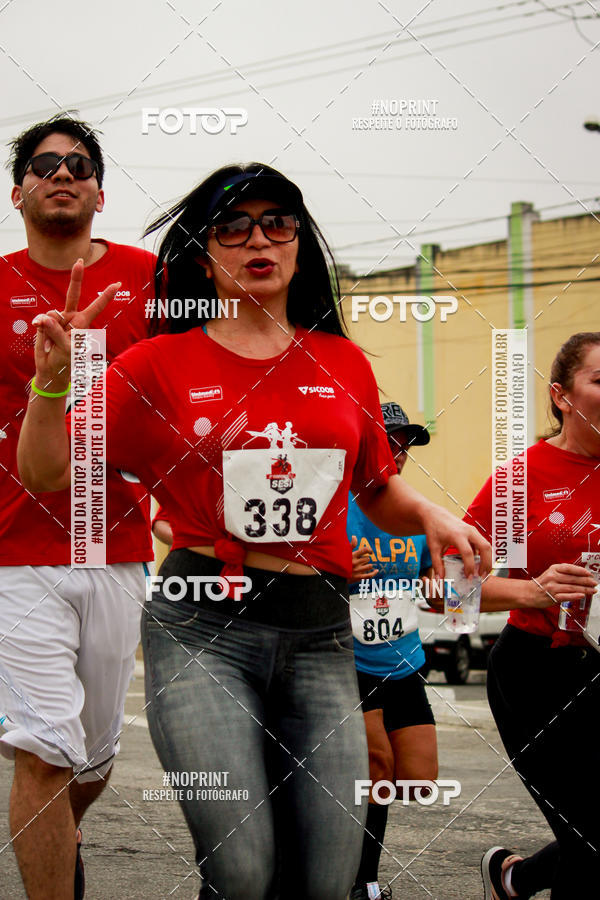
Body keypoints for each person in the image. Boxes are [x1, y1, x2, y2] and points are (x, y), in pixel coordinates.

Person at [17, 162, 492, 900]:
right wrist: (52, 382)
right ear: (205, 256)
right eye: (232, 228)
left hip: (321, 636)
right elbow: (47, 471)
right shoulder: (156, 365)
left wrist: (432, 515)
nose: (257, 240)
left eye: (277, 223)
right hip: (205, 627)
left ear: (300, 245)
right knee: (242, 871)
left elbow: (377, 484)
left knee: (328, 879)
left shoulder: (342, 364)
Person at [0, 114, 154, 899]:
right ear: (19, 186)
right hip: (14, 553)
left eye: (80, 164)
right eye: (45, 163)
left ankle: (58, 835)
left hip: (117, 542)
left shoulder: (152, 280)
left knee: (91, 758)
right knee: (43, 748)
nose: (63, 173)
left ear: (99, 188)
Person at [462, 333, 600, 899]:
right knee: (591, 837)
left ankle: (516, 879)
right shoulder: (525, 480)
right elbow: (448, 588)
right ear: (562, 396)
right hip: (539, 674)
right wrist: (532, 592)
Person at [347, 402, 437, 900]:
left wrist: (438, 587)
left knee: (420, 780)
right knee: (375, 768)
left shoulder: (413, 516)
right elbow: (296, 580)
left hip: (404, 661)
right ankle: (362, 880)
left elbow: (430, 580)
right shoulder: (338, 508)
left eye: (406, 445)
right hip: (350, 661)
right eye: (390, 442)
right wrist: (338, 572)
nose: (399, 453)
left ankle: (322, 795)